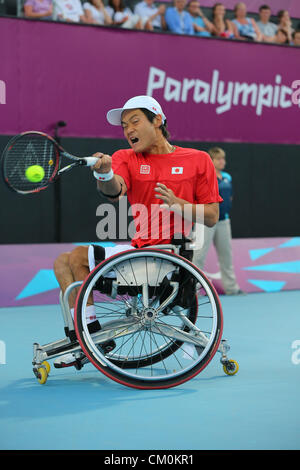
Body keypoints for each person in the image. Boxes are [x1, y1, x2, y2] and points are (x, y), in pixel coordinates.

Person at [53, 95, 222, 368]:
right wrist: (105, 173)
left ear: (157, 121)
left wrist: (179, 205)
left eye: (134, 121)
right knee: (62, 262)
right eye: (123, 126)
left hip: (170, 256)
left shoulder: (199, 160)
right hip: (139, 254)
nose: (128, 130)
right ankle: (89, 334)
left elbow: (212, 217)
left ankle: (89, 338)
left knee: (77, 258)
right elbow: (114, 190)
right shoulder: (125, 158)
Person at [192, 147, 243, 296]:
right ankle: (192, 291)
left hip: (223, 221)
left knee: (226, 256)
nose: (223, 161)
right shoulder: (204, 177)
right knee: (198, 256)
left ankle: (232, 288)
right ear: (211, 160)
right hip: (205, 221)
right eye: (219, 159)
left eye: (223, 158)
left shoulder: (227, 176)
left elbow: (230, 197)